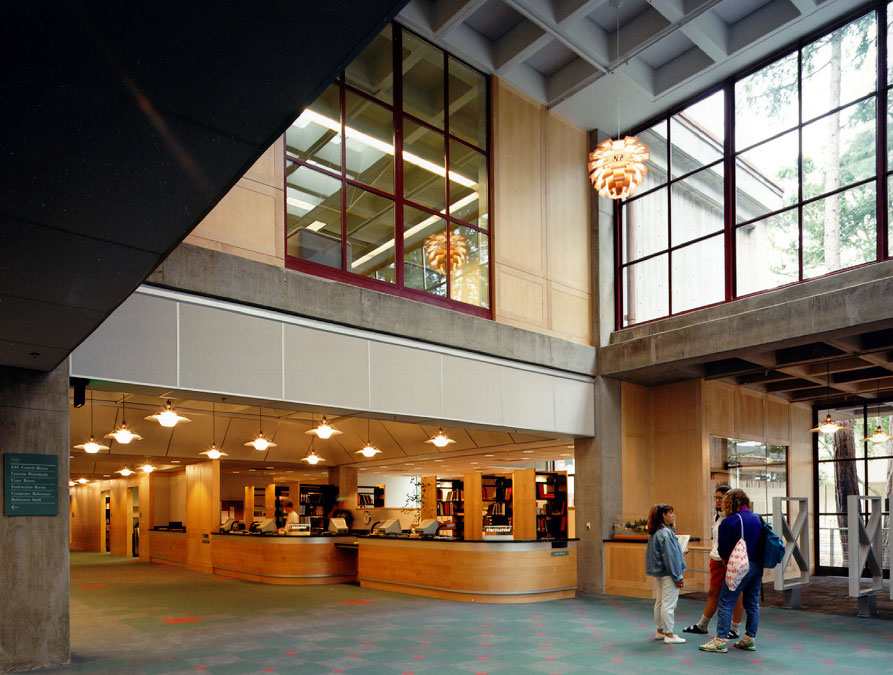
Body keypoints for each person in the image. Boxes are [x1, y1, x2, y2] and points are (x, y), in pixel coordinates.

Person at [699, 488, 762, 653]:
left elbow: (723, 549)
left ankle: (720, 640)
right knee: (752, 603)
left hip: (739, 566)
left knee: (726, 601)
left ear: (731, 502)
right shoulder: (757, 518)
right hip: (756, 565)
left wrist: (727, 562)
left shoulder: (729, 521)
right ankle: (749, 639)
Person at [683, 485, 744, 638]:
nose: (717, 501)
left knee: (736, 593)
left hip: (731, 560)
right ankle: (703, 624)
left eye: (721, 497)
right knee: (713, 592)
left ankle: (735, 628)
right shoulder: (718, 517)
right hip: (716, 559)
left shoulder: (735, 518)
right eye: (716, 497)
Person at [645, 503, 687, 644]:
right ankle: (669, 634)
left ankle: (660, 631)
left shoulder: (655, 532)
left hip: (660, 573)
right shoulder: (665, 533)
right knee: (669, 604)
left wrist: (679, 553)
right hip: (669, 573)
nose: (672, 515)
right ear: (664, 515)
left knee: (660, 602)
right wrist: (678, 576)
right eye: (670, 513)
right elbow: (670, 557)